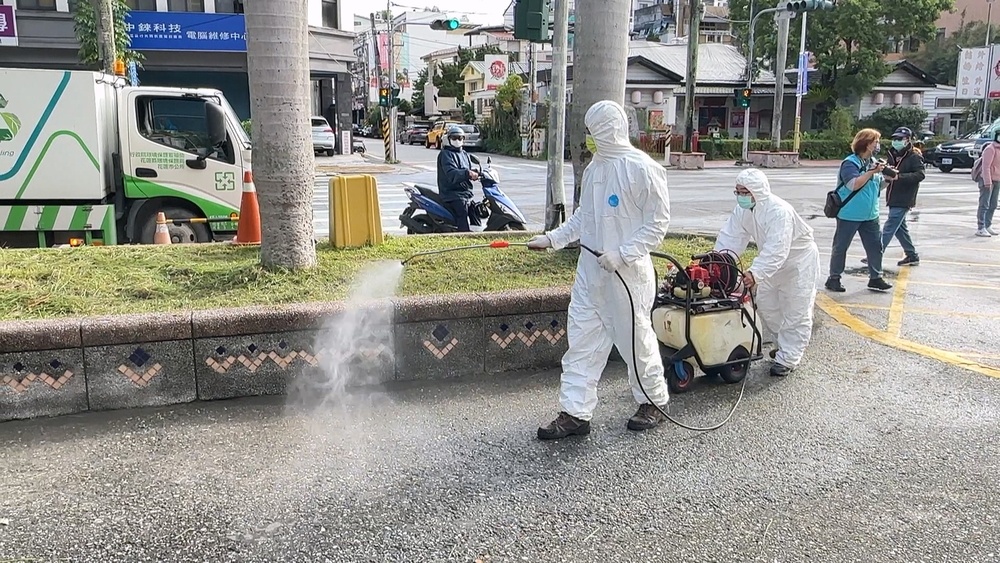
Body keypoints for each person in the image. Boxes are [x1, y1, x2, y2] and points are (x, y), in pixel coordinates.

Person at [526, 100, 672, 440]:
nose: (591, 139)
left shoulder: (643, 168)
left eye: (594, 132)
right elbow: (583, 218)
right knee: (582, 344)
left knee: (636, 343)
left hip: (627, 277)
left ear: (609, 130)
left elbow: (658, 224)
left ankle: (653, 402)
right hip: (590, 274)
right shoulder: (594, 169)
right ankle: (575, 412)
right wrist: (552, 239)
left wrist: (622, 254)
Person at [713, 168, 820, 377]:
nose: (741, 196)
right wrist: (718, 263)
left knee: (796, 311)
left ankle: (789, 358)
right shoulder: (743, 211)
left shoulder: (779, 211)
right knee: (768, 307)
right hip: (771, 265)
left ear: (757, 191)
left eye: (745, 192)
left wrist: (755, 273)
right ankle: (785, 346)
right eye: (738, 192)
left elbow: (778, 248)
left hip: (798, 264)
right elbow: (731, 238)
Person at [825, 128, 893, 293]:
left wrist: (888, 179)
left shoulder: (873, 163)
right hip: (849, 213)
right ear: (867, 144)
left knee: (875, 246)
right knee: (841, 247)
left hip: (870, 215)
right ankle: (834, 278)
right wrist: (872, 172)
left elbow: (875, 187)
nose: (878, 144)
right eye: (876, 141)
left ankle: (875, 277)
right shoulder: (850, 163)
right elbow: (853, 184)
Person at [880, 126, 925, 265]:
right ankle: (912, 254)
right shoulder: (892, 154)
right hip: (893, 194)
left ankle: (875, 251)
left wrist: (899, 176)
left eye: (899, 139)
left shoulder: (914, 156)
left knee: (890, 226)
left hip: (905, 196)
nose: (896, 141)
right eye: (894, 139)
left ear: (907, 140)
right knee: (899, 228)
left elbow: (920, 174)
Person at [436, 125, 478, 232]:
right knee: (462, 212)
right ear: (449, 139)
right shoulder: (445, 154)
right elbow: (452, 173)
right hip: (452, 193)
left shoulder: (464, 154)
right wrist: (467, 173)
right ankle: (463, 235)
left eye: (460, 138)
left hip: (465, 192)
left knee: (475, 210)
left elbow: (466, 169)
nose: (457, 140)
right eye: (454, 138)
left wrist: (477, 172)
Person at [976, 130, 1000, 237]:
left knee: (993, 204)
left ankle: (988, 224)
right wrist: (987, 181)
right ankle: (981, 227)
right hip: (987, 180)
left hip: (997, 180)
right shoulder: (990, 149)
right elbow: (986, 167)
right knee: (984, 204)